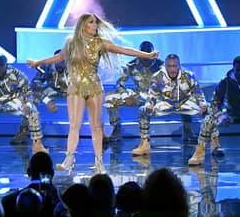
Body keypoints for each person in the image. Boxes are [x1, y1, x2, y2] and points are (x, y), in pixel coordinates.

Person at [27, 13, 159, 173]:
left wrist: (147, 55)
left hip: (95, 87)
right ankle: (69, 158)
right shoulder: (71, 42)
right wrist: (38, 62)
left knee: (96, 127)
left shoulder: (100, 43)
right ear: (83, 25)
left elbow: (124, 50)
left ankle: (99, 162)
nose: (95, 25)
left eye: (96, 22)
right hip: (75, 87)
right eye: (91, 22)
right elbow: (59, 57)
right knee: (74, 126)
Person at [132, 54, 209, 158]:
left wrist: (202, 103)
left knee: (210, 110)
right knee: (143, 110)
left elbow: (199, 94)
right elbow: (151, 96)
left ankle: (210, 145)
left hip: (185, 102)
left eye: (174, 66)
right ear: (165, 66)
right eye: (169, 66)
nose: (172, 69)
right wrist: (149, 104)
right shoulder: (157, 76)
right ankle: (145, 144)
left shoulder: (189, 75)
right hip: (166, 103)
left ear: (179, 66)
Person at [103, 42, 162, 140]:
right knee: (109, 98)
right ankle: (116, 128)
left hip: (157, 97)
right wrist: (126, 96)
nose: (145, 59)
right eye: (142, 55)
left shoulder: (162, 65)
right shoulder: (131, 65)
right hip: (140, 95)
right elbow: (119, 83)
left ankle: (187, 129)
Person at [12, 49, 68, 146]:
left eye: (62, 61)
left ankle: (101, 133)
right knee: (31, 100)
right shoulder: (46, 67)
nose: (60, 63)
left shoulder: (74, 67)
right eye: (57, 60)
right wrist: (47, 100)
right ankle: (23, 131)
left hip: (72, 90)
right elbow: (35, 85)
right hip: (52, 90)